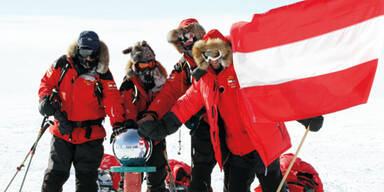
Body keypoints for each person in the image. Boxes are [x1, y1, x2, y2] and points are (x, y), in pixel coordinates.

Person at [138, 29, 324, 192]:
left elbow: (275, 93)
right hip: (237, 150)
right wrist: (162, 126)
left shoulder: (245, 70)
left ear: (225, 51)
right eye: (207, 55)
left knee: (273, 188)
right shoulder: (204, 80)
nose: (214, 60)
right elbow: (185, 104)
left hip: (263, 145)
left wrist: (304, 115)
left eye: (216, 53)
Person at [38, 31, 127, 192]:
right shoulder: (62, 64)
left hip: (90, 136)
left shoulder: (103, 72)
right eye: (85, 52)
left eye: (92, 53)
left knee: (86, 183)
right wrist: (45, 100)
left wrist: (118, 124)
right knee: (53, 179)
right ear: (78, 49)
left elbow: (113, 100)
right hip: (62, 132)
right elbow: (46, 83)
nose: (88, 57)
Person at [137, 18, 216, 192]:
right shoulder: (183, 66)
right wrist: (151, 116)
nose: (187, 41)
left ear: (199, 34)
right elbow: (168, 94)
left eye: (189, 35)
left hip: (230, 124)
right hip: (203, 126)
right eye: (182, 38)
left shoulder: (217, 54)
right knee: (199, 180)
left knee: (239, 176)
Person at [111, 40, 168, 192]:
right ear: (136, 65)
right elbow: (126, 104)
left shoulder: (162, 81)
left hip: (156, 135)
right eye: (143, 65)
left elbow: (167, 102)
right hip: (135, 138)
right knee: (131, 179)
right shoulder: (130, 84)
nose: (148, 69)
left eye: (150, 64)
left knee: (157, 177)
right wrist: (130, 122)